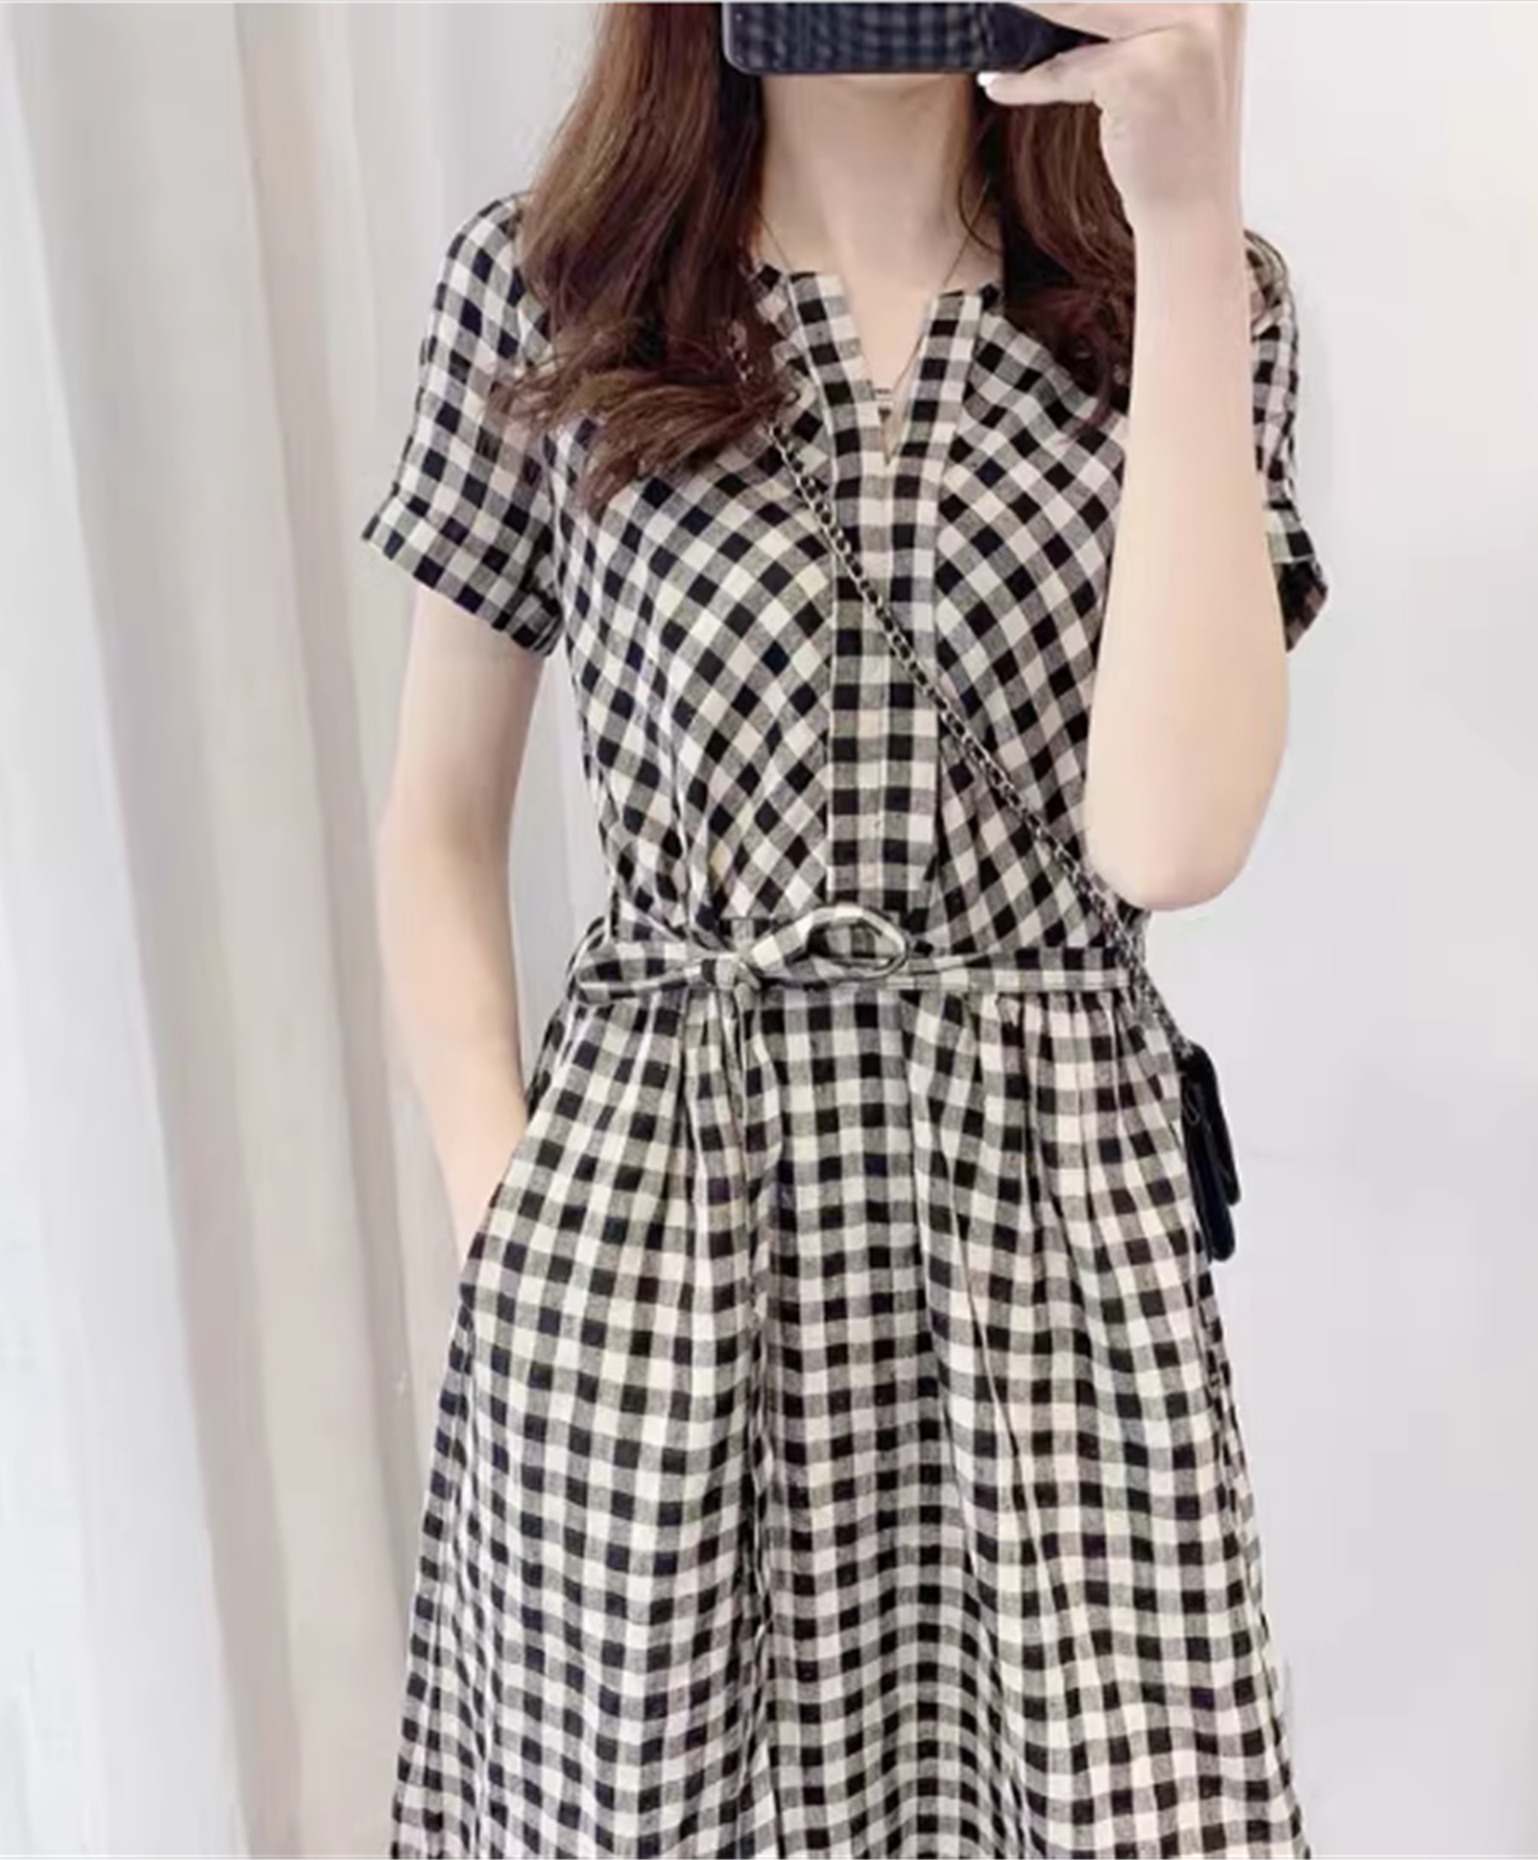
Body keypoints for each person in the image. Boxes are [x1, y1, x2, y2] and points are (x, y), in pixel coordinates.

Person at [363, 2, 1328, 1853]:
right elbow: (435, 821)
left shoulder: (1192, 297)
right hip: (653, 1243)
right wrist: (516, 1228)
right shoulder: (553, 284)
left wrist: (1189, 216)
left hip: (1052, 1256)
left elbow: (1170, 838)